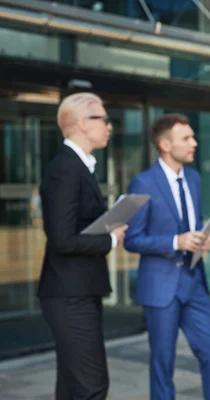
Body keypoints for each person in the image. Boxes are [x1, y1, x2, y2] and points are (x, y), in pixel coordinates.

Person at [124, 113, 210, 400]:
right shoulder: (142, 183)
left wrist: (203, 239)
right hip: (161, 287)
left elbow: (189, 225)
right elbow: (132, 239)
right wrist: (176, 241)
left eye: (193, 136)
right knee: (162, 364)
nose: (194, 143)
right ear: (165, 145)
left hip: (194, 283)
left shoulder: (194, 178)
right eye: (186, 138)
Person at [38, 92, 128, 399]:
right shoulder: (65, 168)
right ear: (81, 124)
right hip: (69, 294)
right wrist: (111, 239)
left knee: (73, 386)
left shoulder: (80, 166)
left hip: (78, 290)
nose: (109, 126)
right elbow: (62, 239)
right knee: (92, 386)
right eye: (103, 119)